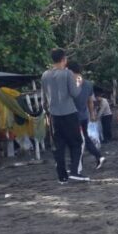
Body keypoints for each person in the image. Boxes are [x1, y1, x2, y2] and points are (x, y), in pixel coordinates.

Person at [41, 48, 88, 184]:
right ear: (63, 59)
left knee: (58, 146)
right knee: (76, 143)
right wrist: (78, 83)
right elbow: (74, 93)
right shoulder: (67, 74)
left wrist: (47, 114)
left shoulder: (45, 75)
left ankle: (62, 176)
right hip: (69, 113)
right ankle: (74, 171)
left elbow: (44, 99)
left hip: (54, 115)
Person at [69, 62, 105, 170]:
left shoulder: (71, 83)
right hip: (84, 116)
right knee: (84, 138)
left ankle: (78, 164)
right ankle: (98, 156)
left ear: (70, 71)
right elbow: (90, 101)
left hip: (74, 116)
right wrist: (92, 114)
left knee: (76, 141)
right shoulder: (88, 84)